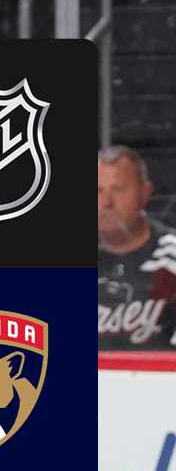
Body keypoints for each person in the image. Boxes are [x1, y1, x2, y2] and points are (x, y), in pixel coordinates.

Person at [97, 145, 176, 351]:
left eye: (119, 189)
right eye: (98, 191)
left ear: (145, 193)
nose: (107, 202)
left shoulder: (172, 257)